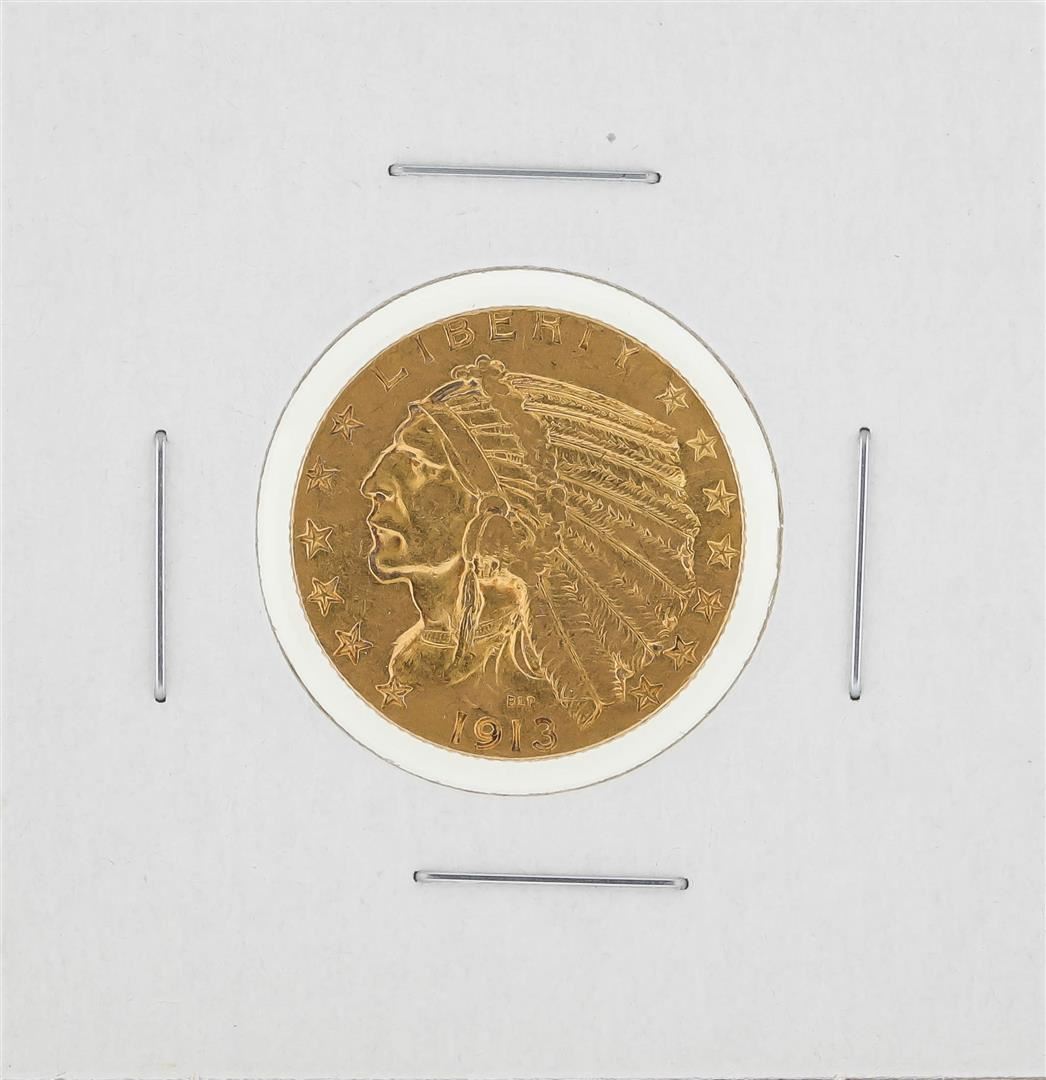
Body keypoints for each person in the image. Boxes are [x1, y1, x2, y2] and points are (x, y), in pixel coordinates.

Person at [361, 355, 700, 728]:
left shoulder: (516, 670)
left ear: (498, 510)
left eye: (421, 464)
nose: (372, 485)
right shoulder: (416, 656)